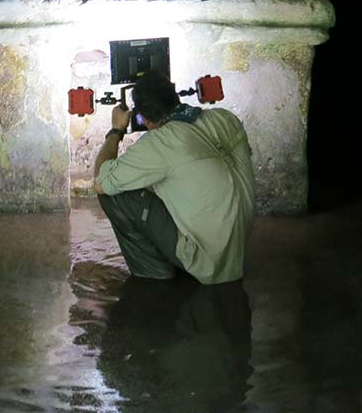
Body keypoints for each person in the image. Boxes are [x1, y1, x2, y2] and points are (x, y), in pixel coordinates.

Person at [92, 72, 255, 284]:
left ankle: (154, 273)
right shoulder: (225, 118)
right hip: (235, 254)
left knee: (113, 194)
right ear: (175, 97)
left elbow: (100, 182)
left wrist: (115, 131)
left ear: (146, 119)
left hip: (206, 263)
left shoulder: (160, 142)